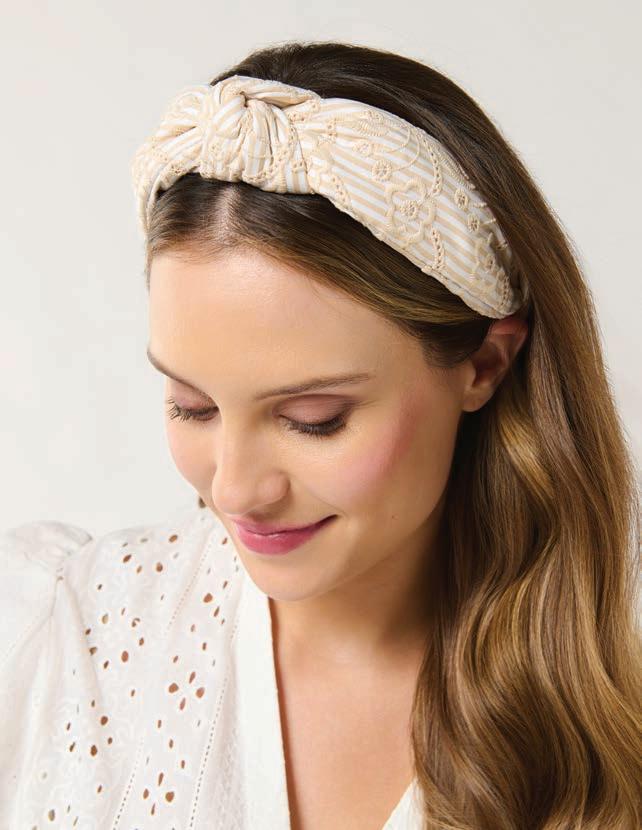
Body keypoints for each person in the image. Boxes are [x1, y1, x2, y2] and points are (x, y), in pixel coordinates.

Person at [1, 40, 640, 830]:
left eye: (313, 420)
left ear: (483, 365)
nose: (236, 489)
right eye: (192, 405)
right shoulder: (49, 637)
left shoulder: (609, 741)